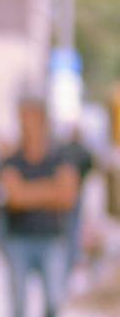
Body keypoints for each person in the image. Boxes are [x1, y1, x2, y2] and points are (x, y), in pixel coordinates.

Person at [0, 94, 79, 317]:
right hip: (18, 241)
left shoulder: (61, 157)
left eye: (31, 119)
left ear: (42, 122)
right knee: (18, 309)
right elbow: (12, 197)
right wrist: (47, 191)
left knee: (54, 302)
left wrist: (27, 192)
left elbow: (66, 197)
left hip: (50, 241)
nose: (26, 125)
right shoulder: (10, 159)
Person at [54, 120, 96, 284]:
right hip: (75, 192)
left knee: (67, 226)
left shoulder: (64, 149)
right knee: (73, 226)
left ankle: (66, 258)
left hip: (69, 192)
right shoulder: (82, 151)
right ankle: (69, 258)